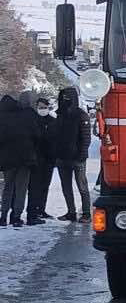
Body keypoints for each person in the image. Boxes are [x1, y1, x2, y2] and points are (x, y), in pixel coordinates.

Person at [52, 87, 92, 222]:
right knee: (66, 186)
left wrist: (82, 154)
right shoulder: (60, 115)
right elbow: (56, 136)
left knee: (82, 186)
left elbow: (86, 138)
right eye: (63, 98)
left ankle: (86, 213)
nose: (65, 100)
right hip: (62, 157)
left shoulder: (81, 115)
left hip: (77, 158)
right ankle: (71, 212)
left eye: (67, 97)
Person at [0, 94, 39, 228]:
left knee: (7, 188)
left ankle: (3, 216)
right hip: (24, 158)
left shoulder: (1, 117)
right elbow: (36, 135)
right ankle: (16, 217)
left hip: (6, 160)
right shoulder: (24, 116)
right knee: (21, 188)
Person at [27, 94, 55, 224]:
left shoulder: (52, 121)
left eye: (45, 107)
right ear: (36, 107)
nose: (42, 109)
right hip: (36, 159)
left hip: (49, 159)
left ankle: (41, 209)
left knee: (45, 185)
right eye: (40, 107)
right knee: (34, 187)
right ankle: (32, 211)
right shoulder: (32, 120)